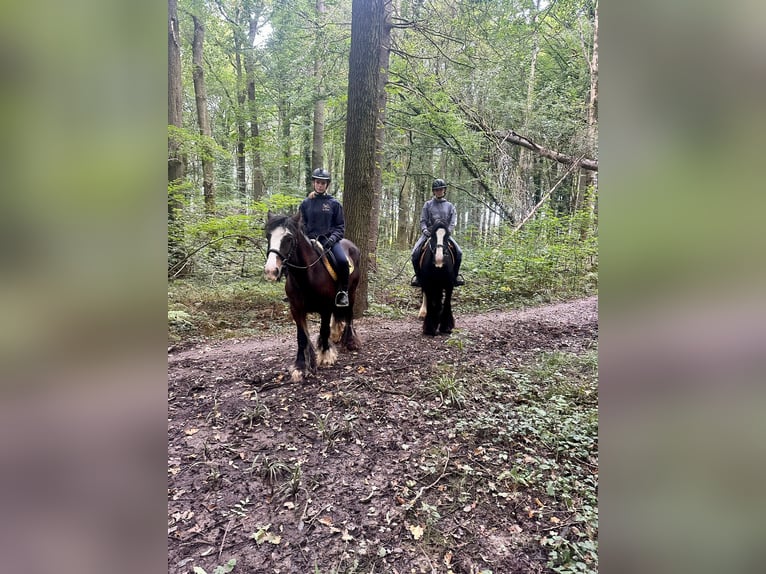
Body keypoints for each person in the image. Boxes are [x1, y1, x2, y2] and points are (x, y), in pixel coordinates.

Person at [299, 168, 350, 307]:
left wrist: (332, 239)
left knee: (342, 261)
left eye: (323, 183)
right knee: (293, 259)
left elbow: (340, 227)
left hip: (329, 241)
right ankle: (296, 291)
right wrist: (305, 237)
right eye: (318, 182)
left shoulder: (334, 204)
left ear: (327, 185)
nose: (320, 185)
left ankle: (343, 292)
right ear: (313, 183)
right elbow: (301, 224)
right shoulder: (305, 204)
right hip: (309, 241)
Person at [410, 178, 464, 287]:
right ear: (434, 191)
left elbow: (452, 222)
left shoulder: (450, 206)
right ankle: (418, 277)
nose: (439, 191)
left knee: (459, 253)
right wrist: (425, 230)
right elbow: (423, 220)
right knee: (415, 253)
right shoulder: (428, 204)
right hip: (429, 233)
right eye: (437, 190)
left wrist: (447, 232)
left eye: (441, 189)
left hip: (443, 235)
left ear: (444, 190)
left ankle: (455, 276)